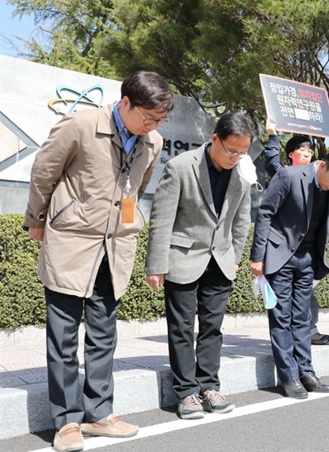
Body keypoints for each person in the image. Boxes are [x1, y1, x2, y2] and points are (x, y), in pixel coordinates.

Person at [23, 71, 174, 451]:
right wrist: (37, 221)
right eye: (149, 117)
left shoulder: (151, 142)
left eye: (160, 120)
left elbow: (136, 191)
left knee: (104, 335)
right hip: (71, 243)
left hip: (116, 248)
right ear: (126, 103)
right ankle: (67, 422)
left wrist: (128, 224)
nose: (153, 126)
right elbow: (44, 172)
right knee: (63, 335)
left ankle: (99, 414)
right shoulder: (80, 124)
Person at [145, 113, 255, 420]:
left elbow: (241, 221)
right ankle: (186, 392)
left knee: (212, 328)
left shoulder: (242, 179)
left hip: (220, 262)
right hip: (182, 257)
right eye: (232, 150)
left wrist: (234, 256)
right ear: (215, 138)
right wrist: (156, 264)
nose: (236, 157)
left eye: (242, 152)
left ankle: (208, 386)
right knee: (181, 328)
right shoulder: (180, 167)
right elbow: (162, 220)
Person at [250, 148, 329, 399]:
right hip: (280, 255)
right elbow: (265, 213)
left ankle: (306, 371)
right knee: (281, 317)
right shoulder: (289, 176)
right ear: (322, 165)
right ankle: (288, 376)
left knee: (303, 318)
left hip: (308, 258)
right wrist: (257, 256)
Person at [262, 119, 329, 345]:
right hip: (284, 249)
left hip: (307, 251)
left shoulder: (320, 179)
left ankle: (308, 331)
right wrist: (273, 136)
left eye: (309, 150)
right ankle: (289, 337)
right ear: (290, 154)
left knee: (306, 297)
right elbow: (270, 162)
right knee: (283, 300)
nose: (307, 153)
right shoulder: (285, 174)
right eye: (301, 149)